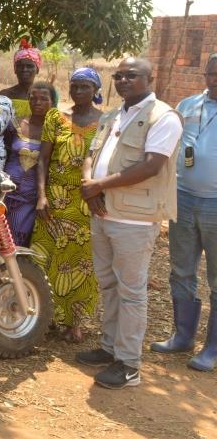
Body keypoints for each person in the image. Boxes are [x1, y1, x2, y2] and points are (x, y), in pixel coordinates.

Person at [76, 57, 183, 390]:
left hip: (135, 219)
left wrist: (100, 186)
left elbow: (151, 166)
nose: (122, 80)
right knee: (108, 284)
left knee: (132, 292)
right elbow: (92, 154)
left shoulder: (163, 117)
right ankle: (110, 347)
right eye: (118, 76)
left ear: (151, 78)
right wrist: (88, 185)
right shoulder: (113, 115)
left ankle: (129, 364)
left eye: (131, 76)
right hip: (104, 211)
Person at [152, 52, 217, 371]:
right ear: (205, 74)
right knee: (182, 270)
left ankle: (212, 348)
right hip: (183, 198)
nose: (216, 79)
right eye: (212, 73)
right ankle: (183, 336)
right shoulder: (188, 105)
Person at [30, 68, 104, 343]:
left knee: (79, 263)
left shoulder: (104, 122)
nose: (78, 91)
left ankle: (74, 322)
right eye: (74, 86)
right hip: (54, 199)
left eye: (85, 87)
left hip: (85, 202)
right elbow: (43, 160)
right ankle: (43, 316)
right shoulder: (55, 116)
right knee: (43, 258)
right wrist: (41, 196)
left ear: (96, 90)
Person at [3, 81, 52, 246]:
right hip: (6, 193)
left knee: (19, 241)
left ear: (53, 102)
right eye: (33, 98)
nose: (37, 102)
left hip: (31, 198)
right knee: (0, 237)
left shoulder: (56, 130)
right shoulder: (16, 124)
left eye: (44, 98)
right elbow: (6, 151)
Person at [0, 39, 44, 120]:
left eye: (30, 66)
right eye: (20, 66)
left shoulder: (45, 97)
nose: (24, 69)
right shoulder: (5, 95)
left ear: (37, 70)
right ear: (15, 69)